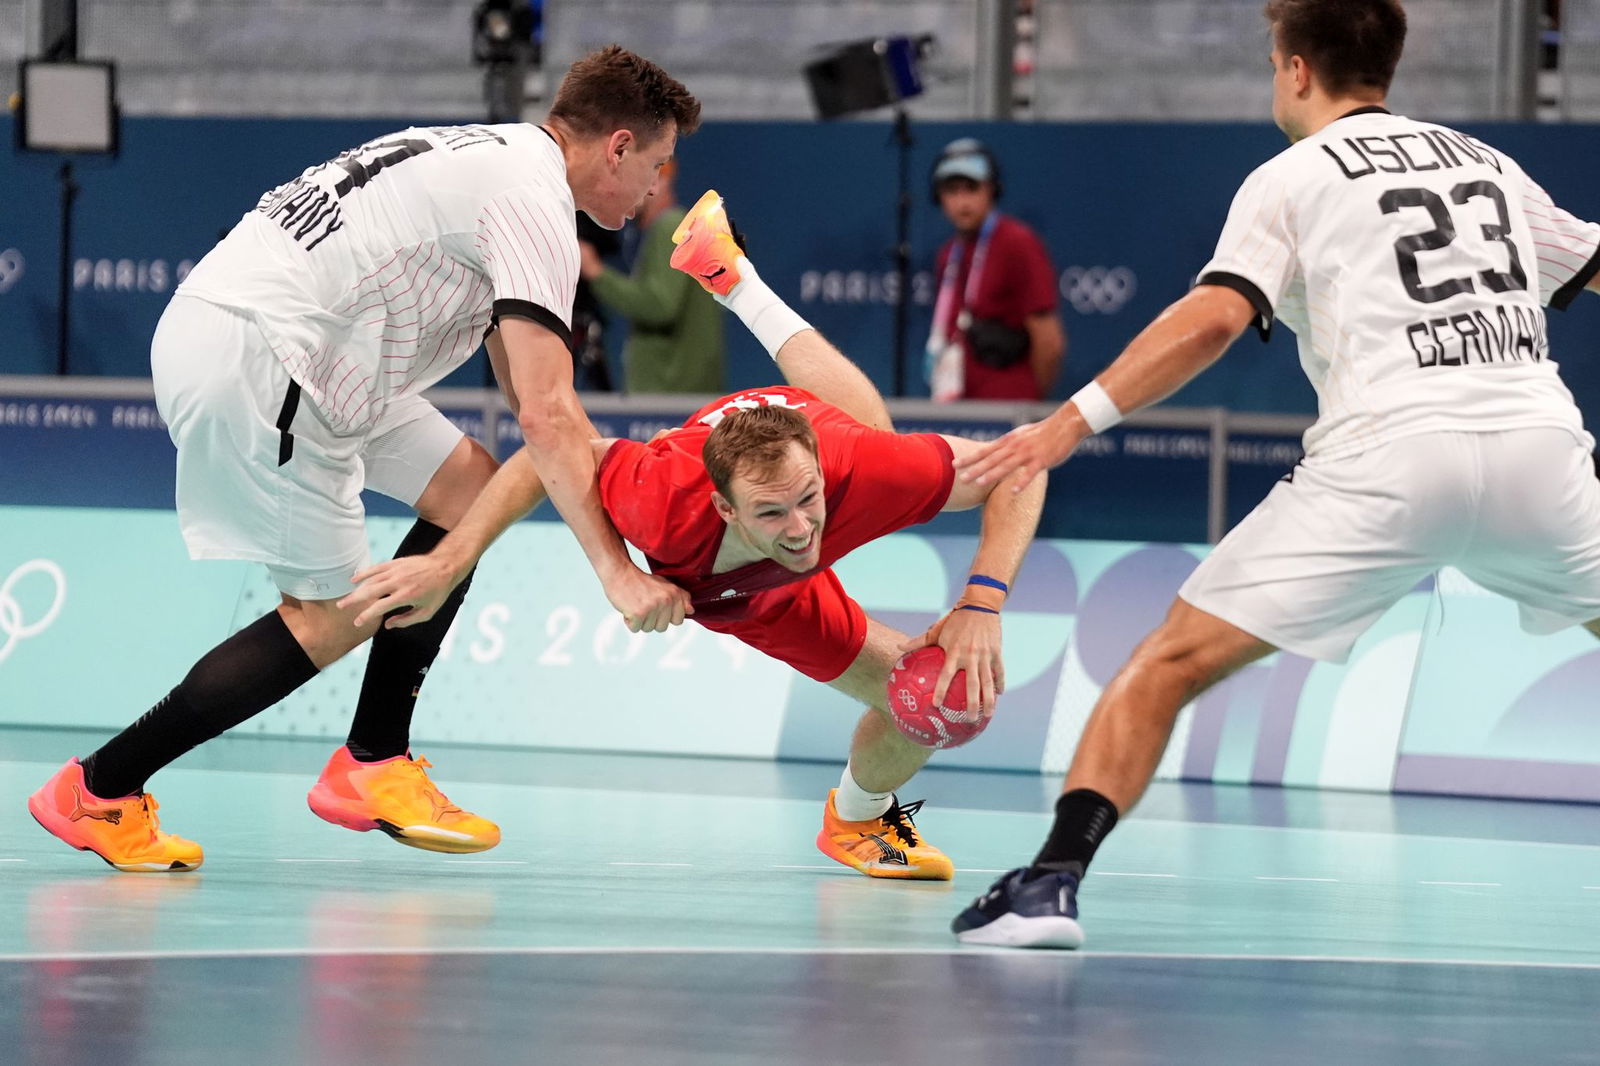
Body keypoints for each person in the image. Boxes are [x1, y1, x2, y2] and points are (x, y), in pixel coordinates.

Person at [949, 0, 1600, 948]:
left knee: (1165, 664)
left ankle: (1049, 884)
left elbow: (1215, 320)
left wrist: (1066, 425)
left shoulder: (1290, 176)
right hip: (1539, 454)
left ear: (1295, 71)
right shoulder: (1490, 164)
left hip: (1387, 462)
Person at [27, 46, 700, 873]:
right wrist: (617, 572)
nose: (649, 192)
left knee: (467, 489)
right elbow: (548, 415)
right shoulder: (533, 201)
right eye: (657, 166)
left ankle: (375, 757)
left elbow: (541, 412)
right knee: (327, 617)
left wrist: (570, 505)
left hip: (308, 346)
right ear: (619, 146)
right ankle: (99, 790)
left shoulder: (492, 158)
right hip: (272, 355)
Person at [340, 193, 1046, 880]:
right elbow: (545, 456)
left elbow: (1024, 466)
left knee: (945, 693)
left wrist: (983, 602)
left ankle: (859, 819)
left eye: (807, 504)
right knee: (867, 459)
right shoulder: (661, 501)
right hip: (750, 593)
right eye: (772, 515)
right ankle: (731, 281)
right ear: (726, 509)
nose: (800, 531)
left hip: (826, 455)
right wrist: (458, 560)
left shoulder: (856, 476)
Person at [926, 138, 1065, 402]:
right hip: (958, 407)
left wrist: (1031, 406)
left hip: (1011, 411)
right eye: (952, 190)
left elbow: (1049, 342)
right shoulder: (948, 254)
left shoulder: (1017, 242)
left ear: (992, 190)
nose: (962, 201)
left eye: (972, 188)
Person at [580, 158, 725, 393]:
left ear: (659, 182)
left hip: (670, 397)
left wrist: (596, 272)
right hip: (677, 396)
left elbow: (660, 305)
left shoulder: (670, 227)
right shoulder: (675, 227)